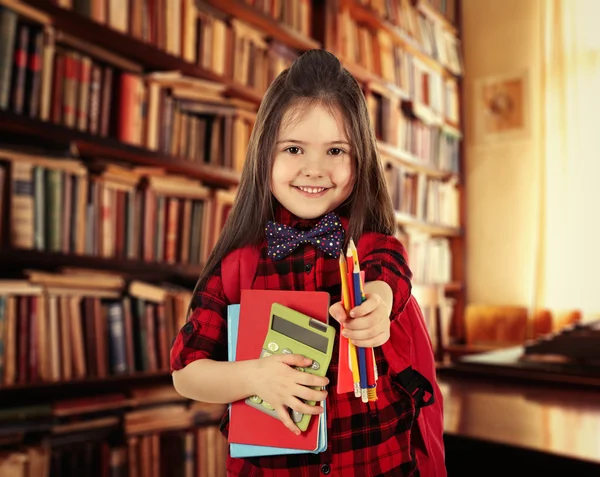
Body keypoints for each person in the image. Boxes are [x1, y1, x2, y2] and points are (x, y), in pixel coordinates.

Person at [170, 49, 446, 476]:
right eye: (294, 148)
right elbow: (187, 373)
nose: (314, 169)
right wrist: (255, 377)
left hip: (380, 465)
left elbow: (388, 278)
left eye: (336, 150)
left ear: (361, 160)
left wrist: (376, 307)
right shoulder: (238, 265)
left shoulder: (374, 246)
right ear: (264, 153)